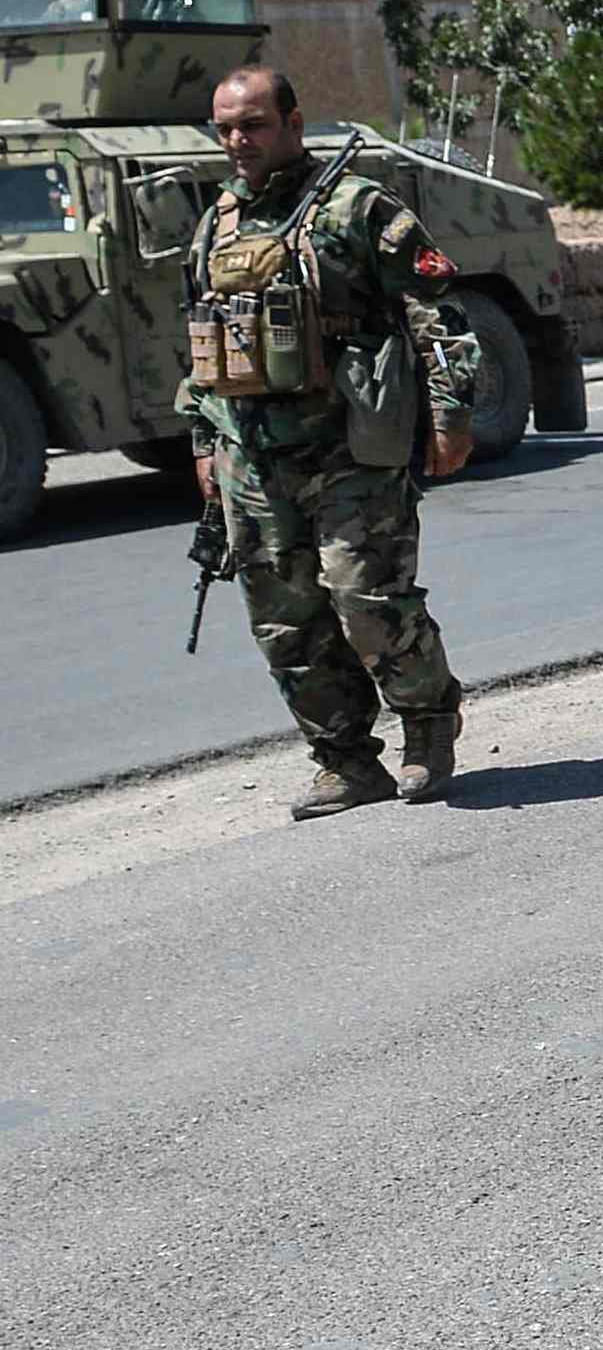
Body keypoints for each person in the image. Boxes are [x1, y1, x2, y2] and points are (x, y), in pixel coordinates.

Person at [184, 66, 475, 818]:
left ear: (292, 122)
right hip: (252, 451)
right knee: (288, 620)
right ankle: (345, 760)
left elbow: (435, 308)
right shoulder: (216, 222)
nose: (237, 141)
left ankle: (428, 725)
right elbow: (201, 341)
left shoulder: (355, 207)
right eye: (225, 129)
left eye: (252, 124)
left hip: (352, 442)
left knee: (365, 597)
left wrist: (450, 412)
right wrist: (202, 443)